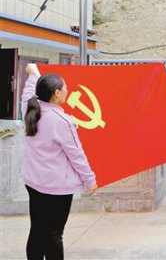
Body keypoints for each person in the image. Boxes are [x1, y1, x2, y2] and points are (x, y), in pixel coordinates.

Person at [21, 63, 97, 260]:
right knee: (54, 234)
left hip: (34, 183)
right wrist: (90, 180)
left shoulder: (29, 107)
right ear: (56, 93)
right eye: (64, 87)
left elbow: (29, 91)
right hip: (56, 188)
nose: (67, 90)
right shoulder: (62, 121)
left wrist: (32, 74)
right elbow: (76, 155)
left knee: (37, 230)